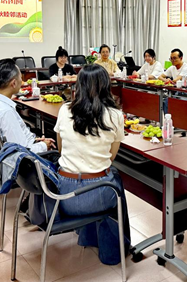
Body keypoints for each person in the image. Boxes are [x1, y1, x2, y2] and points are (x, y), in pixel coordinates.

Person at [54, 64, 130, 265]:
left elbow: (61, 149)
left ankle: (87, 237)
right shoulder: (115, 115)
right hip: (98, 197)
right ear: (106, 86)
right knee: (115, 182)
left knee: (106, 176)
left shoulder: (65, 110)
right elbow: (110, 157)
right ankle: (113, 253)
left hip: (64, 194)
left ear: (78, 85)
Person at [0, 59, 55, 154]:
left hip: (5, 152)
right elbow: (21, 152)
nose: (22, 81)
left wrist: (35, 141)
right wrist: (44, 145)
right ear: (13, 83)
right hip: (24, 159)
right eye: (20, 78)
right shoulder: (5, 113)